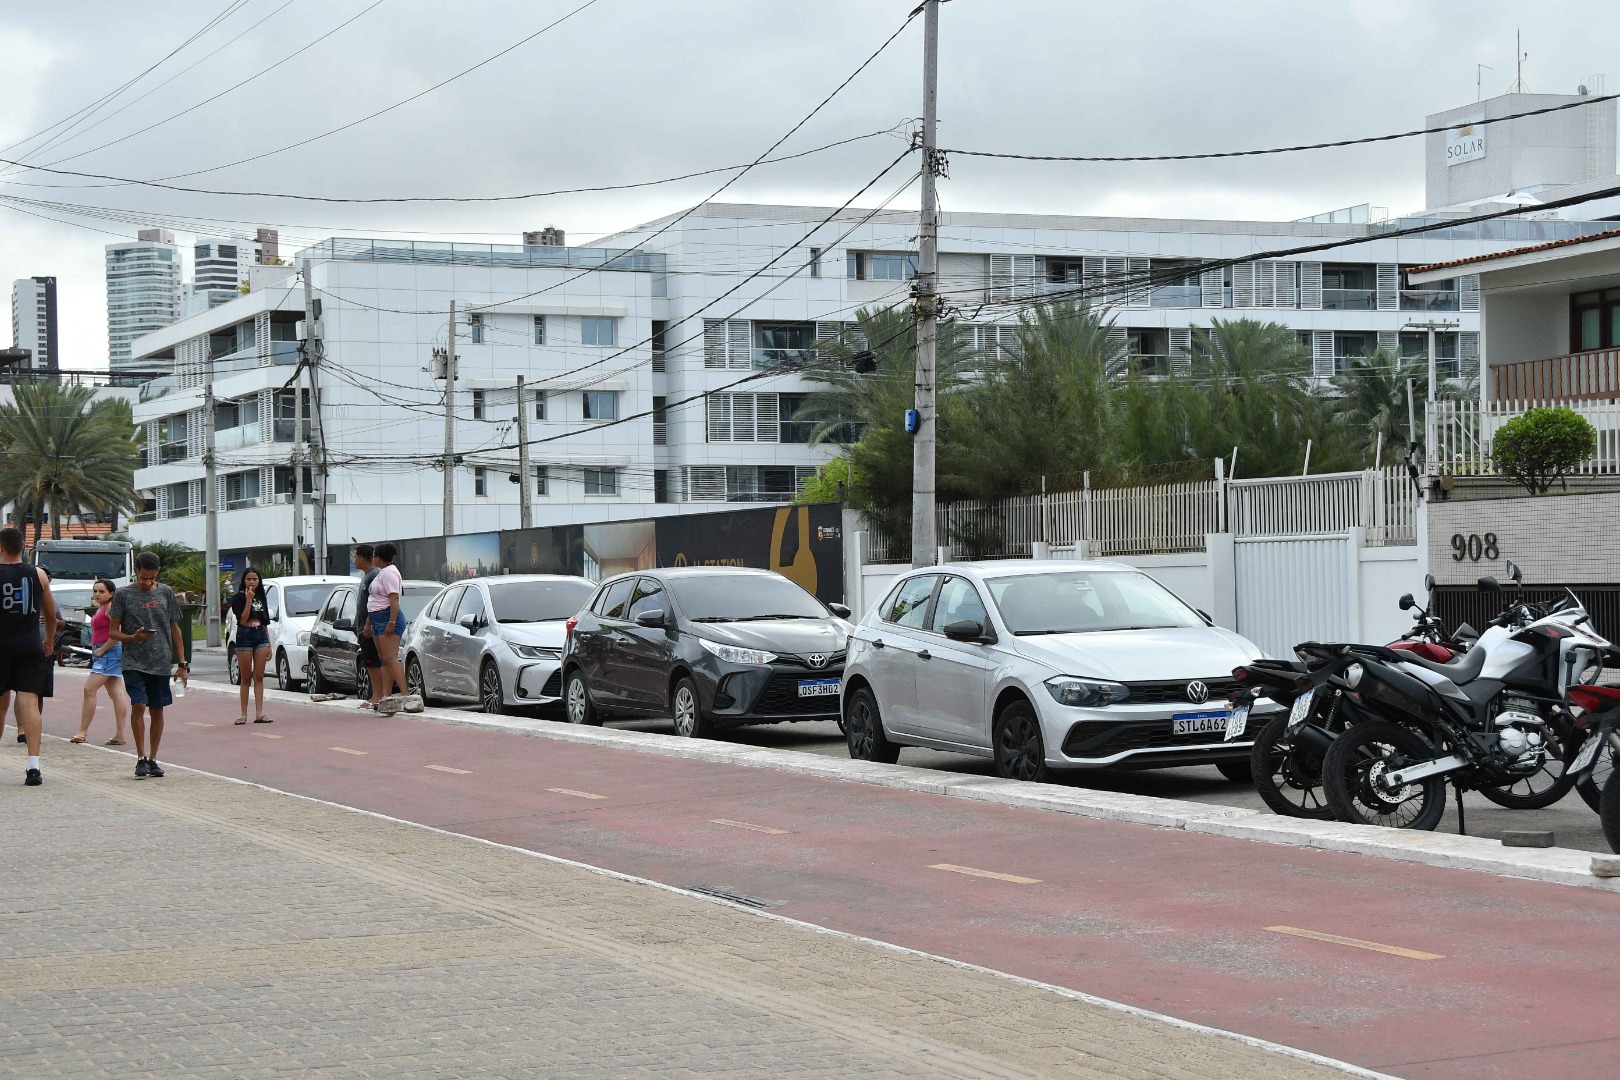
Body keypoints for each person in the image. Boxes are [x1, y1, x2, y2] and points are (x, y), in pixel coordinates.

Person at [107, 551, 188, 778]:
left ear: (157, 573)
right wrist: (133, 638)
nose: (147, 582)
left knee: (157, 709)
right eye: (143, 577)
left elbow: (175, 629)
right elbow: (113, 630)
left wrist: (182, 664)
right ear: (136, 572)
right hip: (133, 660)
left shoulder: (166, 593)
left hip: (161, 661)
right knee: (139, 705)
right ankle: (140, 757)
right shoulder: (123, 595)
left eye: (151, 578)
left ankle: (153, 758)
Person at [0, 525, 58, 786]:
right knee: (29, 704)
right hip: (29, 645)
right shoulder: (38, 575)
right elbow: (51, 615)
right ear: (23, 546)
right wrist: (48, 641)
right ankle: (33, 766)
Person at [70, 578, 132, 746]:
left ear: (111, 593)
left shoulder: (111, 608)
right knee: (116, 693)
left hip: (108, 652)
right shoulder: (102, 608)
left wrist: (102, 650)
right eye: (95, 591)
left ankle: (82, 731)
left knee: (89, 689)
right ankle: (120, 735)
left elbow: (117, 633)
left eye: (101, 591)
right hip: (104, 651)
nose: (97, 594)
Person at [363, 542, 409, 714]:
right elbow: (374, 599)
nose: (372, 558)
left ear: (379, 558)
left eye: (374, 556)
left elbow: (394, 598)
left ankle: (405, 694)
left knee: (390, 657)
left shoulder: (390, 573)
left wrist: (392, 621)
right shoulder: (381, 573)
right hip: (376, 618)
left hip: (386, 617)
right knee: (383, 658)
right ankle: (386, 695)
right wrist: (369, 622)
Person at [229, 568, 273, 725]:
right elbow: (242, 619)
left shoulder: (261, 596)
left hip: (260, 634)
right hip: (245, 635)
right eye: (249, 579)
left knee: (259, 676)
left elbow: (265, 620)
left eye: (255, 579)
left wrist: (269, 644)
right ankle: (243, 713)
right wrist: (248, 600)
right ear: (244, 580)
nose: (252, 582)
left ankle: (259, 713)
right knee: (246, 677)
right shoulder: (238, 598)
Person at [352, 544, 383, 707]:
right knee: (369, 663)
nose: (354, 560)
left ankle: (378, 696)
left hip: (370, 628)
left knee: (373, 662)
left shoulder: (374, 575)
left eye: (355, 556)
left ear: (362, 558)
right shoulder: (366, 576)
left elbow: (375, 603)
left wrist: (368, 624)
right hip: (362, 628)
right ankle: (375, 695)